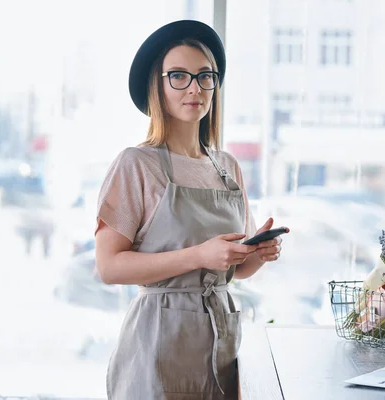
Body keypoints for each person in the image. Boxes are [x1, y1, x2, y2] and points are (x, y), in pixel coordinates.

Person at [94, 20, 288, 399]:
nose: (195, 88)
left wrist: (257, 255)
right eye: (179, 76)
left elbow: (233, 270)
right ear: (158, 85)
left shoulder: (227, 166)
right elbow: (109, 266)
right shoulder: (137, 164)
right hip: (158, 345)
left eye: (205, 76)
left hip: (221, 344)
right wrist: (200, 254)